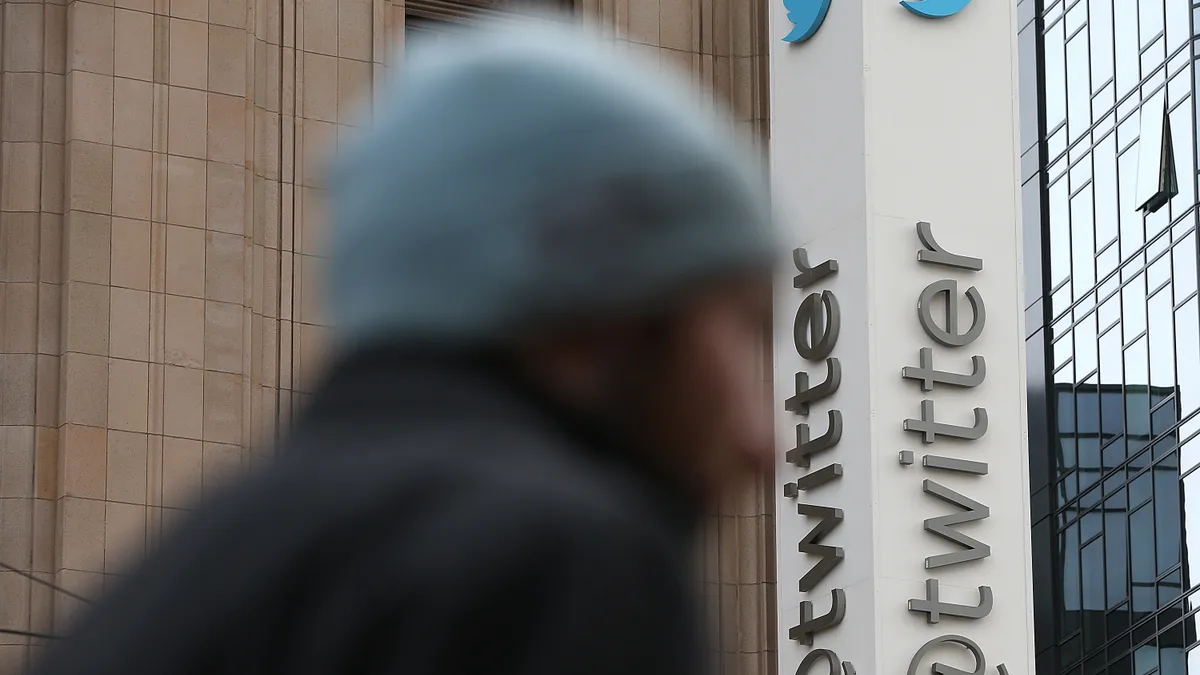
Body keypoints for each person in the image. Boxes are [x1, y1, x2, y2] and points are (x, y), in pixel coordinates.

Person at [34, 18, 779, 675]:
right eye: (744, 330)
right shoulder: (560, 560)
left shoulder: (192, 565)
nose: (763, 439)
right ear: (600, 319)